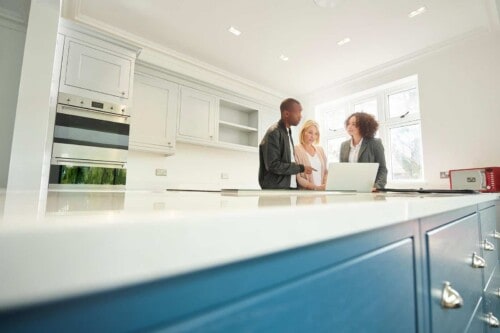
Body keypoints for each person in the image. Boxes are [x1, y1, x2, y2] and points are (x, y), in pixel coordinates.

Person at [259, 98, 314, 189]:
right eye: (298, 112)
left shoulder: (287, 132)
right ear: (286, 114)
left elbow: (287, 162)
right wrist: (301, 168)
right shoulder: (274, 132)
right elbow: (273, 165)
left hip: (288, 188)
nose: (300, 116)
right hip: (276, 191)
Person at [339, 112, 387, 190]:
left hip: (370, 188)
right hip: (349, 189)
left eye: (354, 124)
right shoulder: (344, 145)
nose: (349, 126)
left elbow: (382, 169)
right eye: (348, 124)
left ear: (363, 126)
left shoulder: (375, 143)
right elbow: (342, 170)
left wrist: (378, 186)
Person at [294, 120, 328, 190]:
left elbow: (325, 172)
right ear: (303, 132)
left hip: (322, 193)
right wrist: (315, 188)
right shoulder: (296, 150)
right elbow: (298, 177)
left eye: (316, 134)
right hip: (305, 196)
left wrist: (324, 185)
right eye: (310, 132)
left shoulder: (320, 150)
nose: (313, 136)